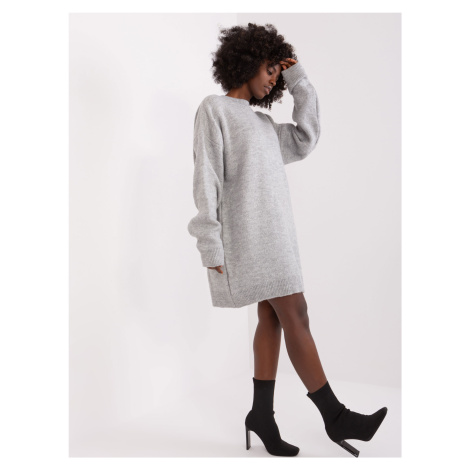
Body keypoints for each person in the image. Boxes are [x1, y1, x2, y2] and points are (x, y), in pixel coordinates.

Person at [187, 22, 387, 458]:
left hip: (277, 236)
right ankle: (336, 416)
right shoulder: (214, 109)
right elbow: (206, 178)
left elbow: (306, 137)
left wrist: (298, 79)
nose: (273, 79)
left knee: (273, 317)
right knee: (296, 311)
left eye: (278, 73)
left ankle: (261, 415)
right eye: (271, 69)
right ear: (246, 60)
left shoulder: (264, 125)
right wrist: (209, 241)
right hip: (249, 238)